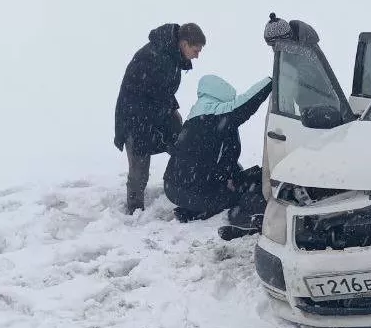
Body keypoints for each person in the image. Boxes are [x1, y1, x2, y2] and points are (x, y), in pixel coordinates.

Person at [163, 74, 272, 237]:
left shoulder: (201, 115)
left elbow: (218, 157)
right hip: (190, 191)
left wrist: (232, 177)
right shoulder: (213, 114)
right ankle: (234, 216)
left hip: (177, 186)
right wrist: (271, 81)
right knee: (244, 192)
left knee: (246, 179)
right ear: (221, 95)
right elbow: (247, 103)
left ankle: (194, 209)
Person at [114, 22, 206, 214]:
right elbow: (151, 94)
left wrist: (173, 111)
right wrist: (166, 118)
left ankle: (185, 185)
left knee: (181, 144)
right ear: (184, 43)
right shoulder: (157, 57)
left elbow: (162, 93)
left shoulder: (171, 55)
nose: (197, 55)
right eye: (196, 50)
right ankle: (134, 209)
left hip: (153, 110)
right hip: (135, 117)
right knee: (139, 167)